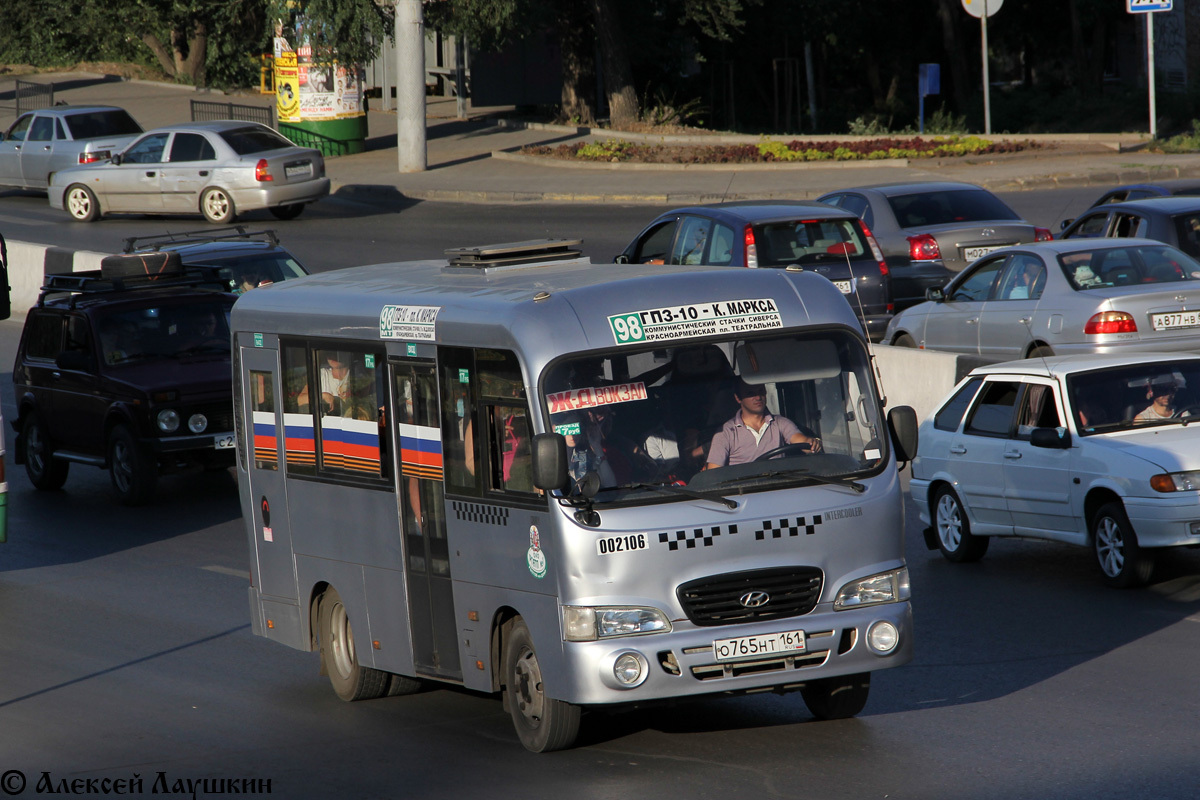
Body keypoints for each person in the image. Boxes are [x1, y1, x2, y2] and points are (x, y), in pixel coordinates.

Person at [705, 377, 821, 469]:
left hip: (780, 486)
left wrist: (811, 443)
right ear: (738, 398)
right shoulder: (725, 432)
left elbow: (800, 440)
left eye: (761, 391)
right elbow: (714, 473)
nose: (758, 397)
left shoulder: (780, 423)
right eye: (750, 393)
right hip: (743, 493)